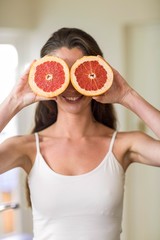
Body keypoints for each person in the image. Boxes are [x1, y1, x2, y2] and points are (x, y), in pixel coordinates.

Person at [0, 27, 160, 240]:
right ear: (47, 80)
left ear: (96, 72)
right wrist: (14, 101)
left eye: (79, 72)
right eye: (62, 74)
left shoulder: (123, 144)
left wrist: (127, 95)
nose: (71, 86)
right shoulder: (26, 148)